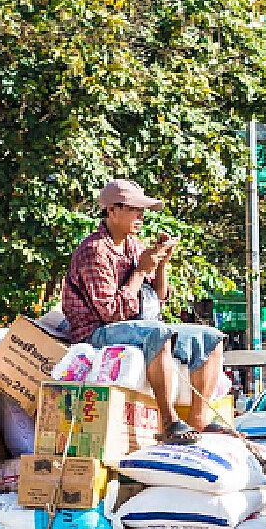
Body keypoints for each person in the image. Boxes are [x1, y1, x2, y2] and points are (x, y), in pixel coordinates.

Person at [62, 179, 227, 444]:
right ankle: (169, 420)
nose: (141, 216)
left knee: (210, 337)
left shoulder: (133, 245)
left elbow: (157, 300)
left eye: (143, 210)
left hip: (136, 324)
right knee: (158, 332)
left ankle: (199, 418)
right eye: (134, 209)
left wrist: (161, 263)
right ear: (112, 211)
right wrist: (140, 271)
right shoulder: (94, 252)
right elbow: (110, 313)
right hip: (95, 332)